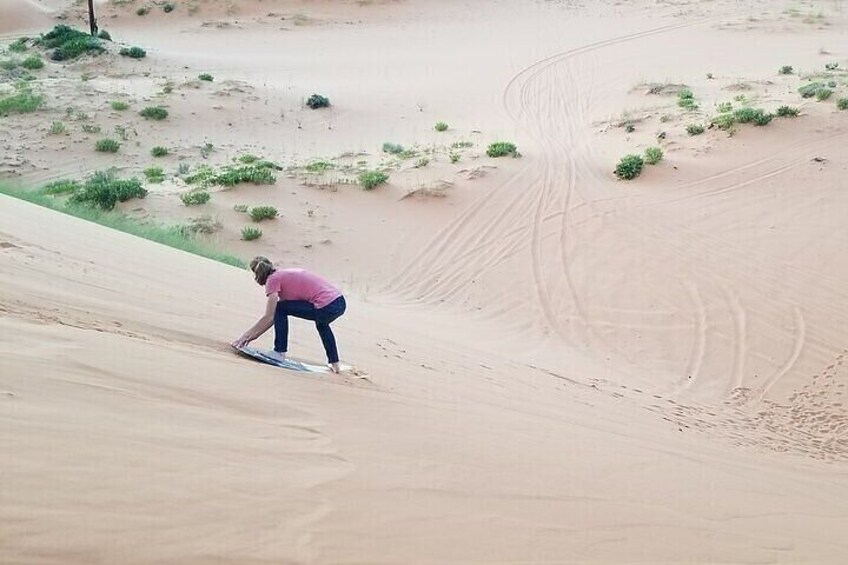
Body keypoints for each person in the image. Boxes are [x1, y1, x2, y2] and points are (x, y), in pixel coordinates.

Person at [232, 257, 347, 373]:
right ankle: (334, 363)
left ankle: (279, 352)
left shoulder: (272, 280)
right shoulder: (284, 275)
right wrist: (251, 336)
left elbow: (270, 316)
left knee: (280, 308)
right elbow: (274, 318)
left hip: (326, 305)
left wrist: (245, 337)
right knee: (322, 325)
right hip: (339, 302)